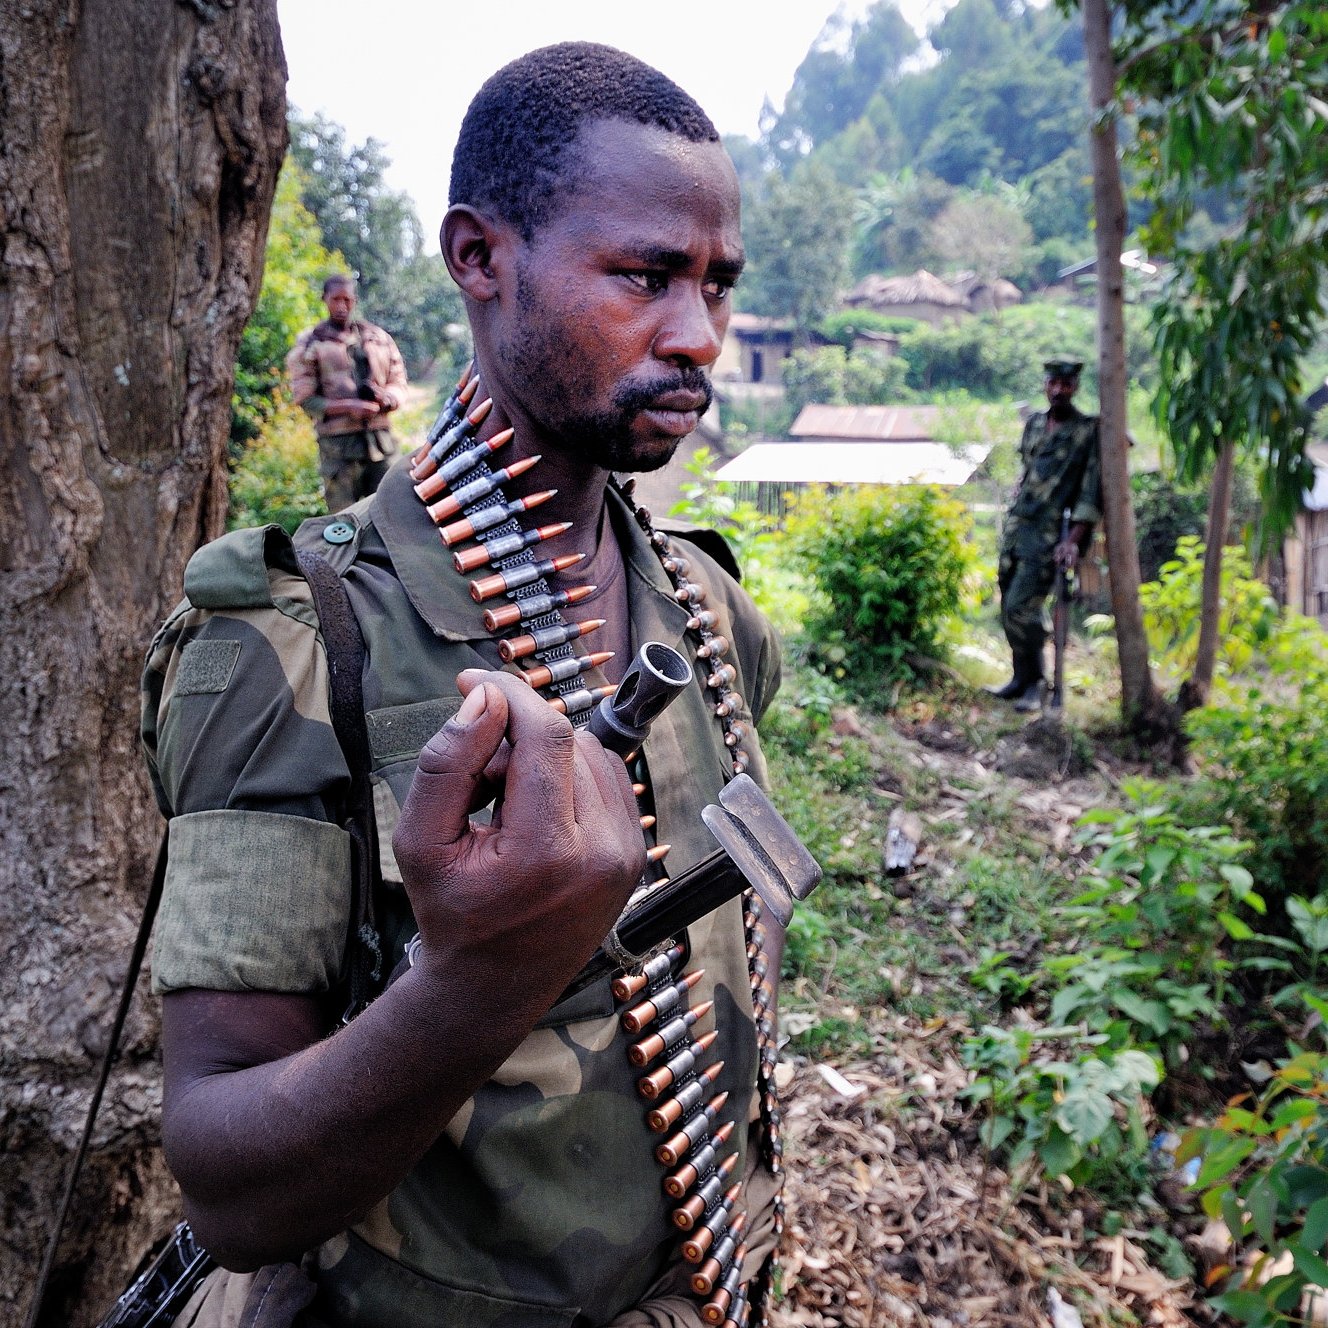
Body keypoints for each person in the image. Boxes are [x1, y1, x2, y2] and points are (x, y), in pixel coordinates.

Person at [141, 42, 785, 1328]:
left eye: (714, 283)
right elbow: (229, 1184)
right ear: (480, 259)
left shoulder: (708, 611)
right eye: (643, 275)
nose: (697, 334)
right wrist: (479, 980)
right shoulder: (291, 640)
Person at [991, 357, 1102, 712]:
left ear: (1075, 388)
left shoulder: (1086, 431)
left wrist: (1072, 541)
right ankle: (1021, 678)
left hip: (1049, 534)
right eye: (1053, 383)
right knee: (1007, 603)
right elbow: (1027, 472)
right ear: (1045, 385)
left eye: (1066, 385)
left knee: (1021, 607)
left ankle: (1037, 683)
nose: (1058, 390)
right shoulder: (1035, 423)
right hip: (1018, 527)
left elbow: (1090, 491)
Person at [287, 274, 409, 512]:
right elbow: (305, 399)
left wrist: (385, 399)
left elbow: (399, 382)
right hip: (338, 451)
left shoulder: (378, 338)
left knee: (392, 514)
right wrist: (349, 407)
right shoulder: (310, 343)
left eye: (347, 300)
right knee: (343, 523)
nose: (342, 306)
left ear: (354, 300)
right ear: (325, 299)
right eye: (335, 299)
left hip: (381, 445)